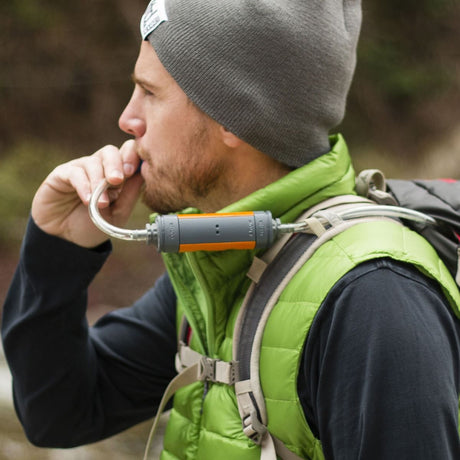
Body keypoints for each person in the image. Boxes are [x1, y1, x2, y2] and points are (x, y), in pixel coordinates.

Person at [2, 0, 460, 458]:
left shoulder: (373, 299)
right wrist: (59, 247)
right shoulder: (222, 260)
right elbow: (58, 413)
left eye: (150, 93)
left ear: (232, 114)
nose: (128, 120)